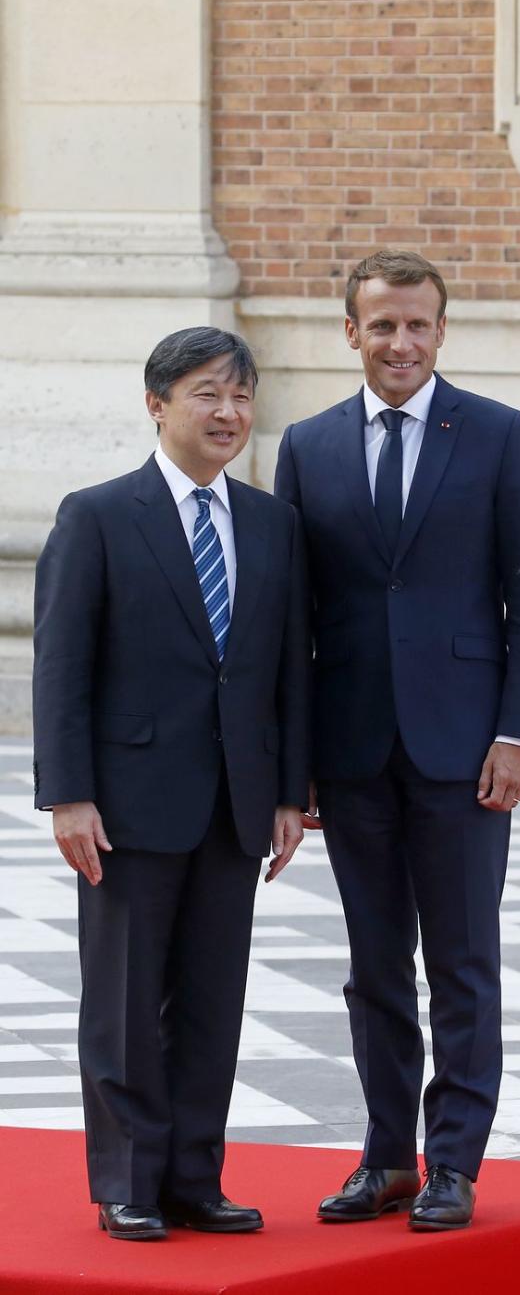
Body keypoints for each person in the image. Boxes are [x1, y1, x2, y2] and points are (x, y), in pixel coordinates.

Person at [275, 250, 520, 1231]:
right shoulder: (306, 448)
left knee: (464, 963)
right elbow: (294, 616)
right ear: (351, 332)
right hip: (352, 753)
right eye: (382, 325)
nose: (401, 342)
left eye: (418, 325)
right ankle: (388, 1154)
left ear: (442, 330)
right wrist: (295, 760)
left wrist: (518, 731)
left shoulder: (497, 436)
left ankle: (455, 1163)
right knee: (374, 965)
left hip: (466, 747)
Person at [33, 327, 311, 1240]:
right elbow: (61, 666)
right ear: (157, 404)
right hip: (125, 804)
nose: (227, 412)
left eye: (239, 395)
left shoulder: (271, 523)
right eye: (205, 394)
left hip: (236, 802)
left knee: (209, 1000)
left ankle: (196, 1177)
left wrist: (289, 792)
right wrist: (67, 794)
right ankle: (126, 1181)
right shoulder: (99, 515)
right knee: (122, 1000)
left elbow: (286, 671)